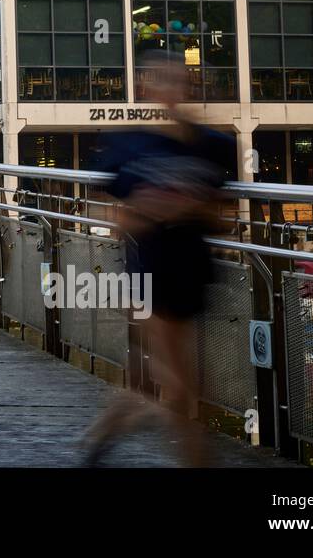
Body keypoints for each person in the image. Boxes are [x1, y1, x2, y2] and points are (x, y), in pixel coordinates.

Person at [81, 49, 233, 467]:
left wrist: (186, 209)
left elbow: (223, 217)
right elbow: (117, 221)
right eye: (162, 80)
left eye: (180, 79)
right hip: (148, 273)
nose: (173, 88)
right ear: (147, 87)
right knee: (181, 389)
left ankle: (112, 425)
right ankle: (176, 447)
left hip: (193, 271)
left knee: (177, 385)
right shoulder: (130, 144)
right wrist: (148, 210)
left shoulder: (215, 144)